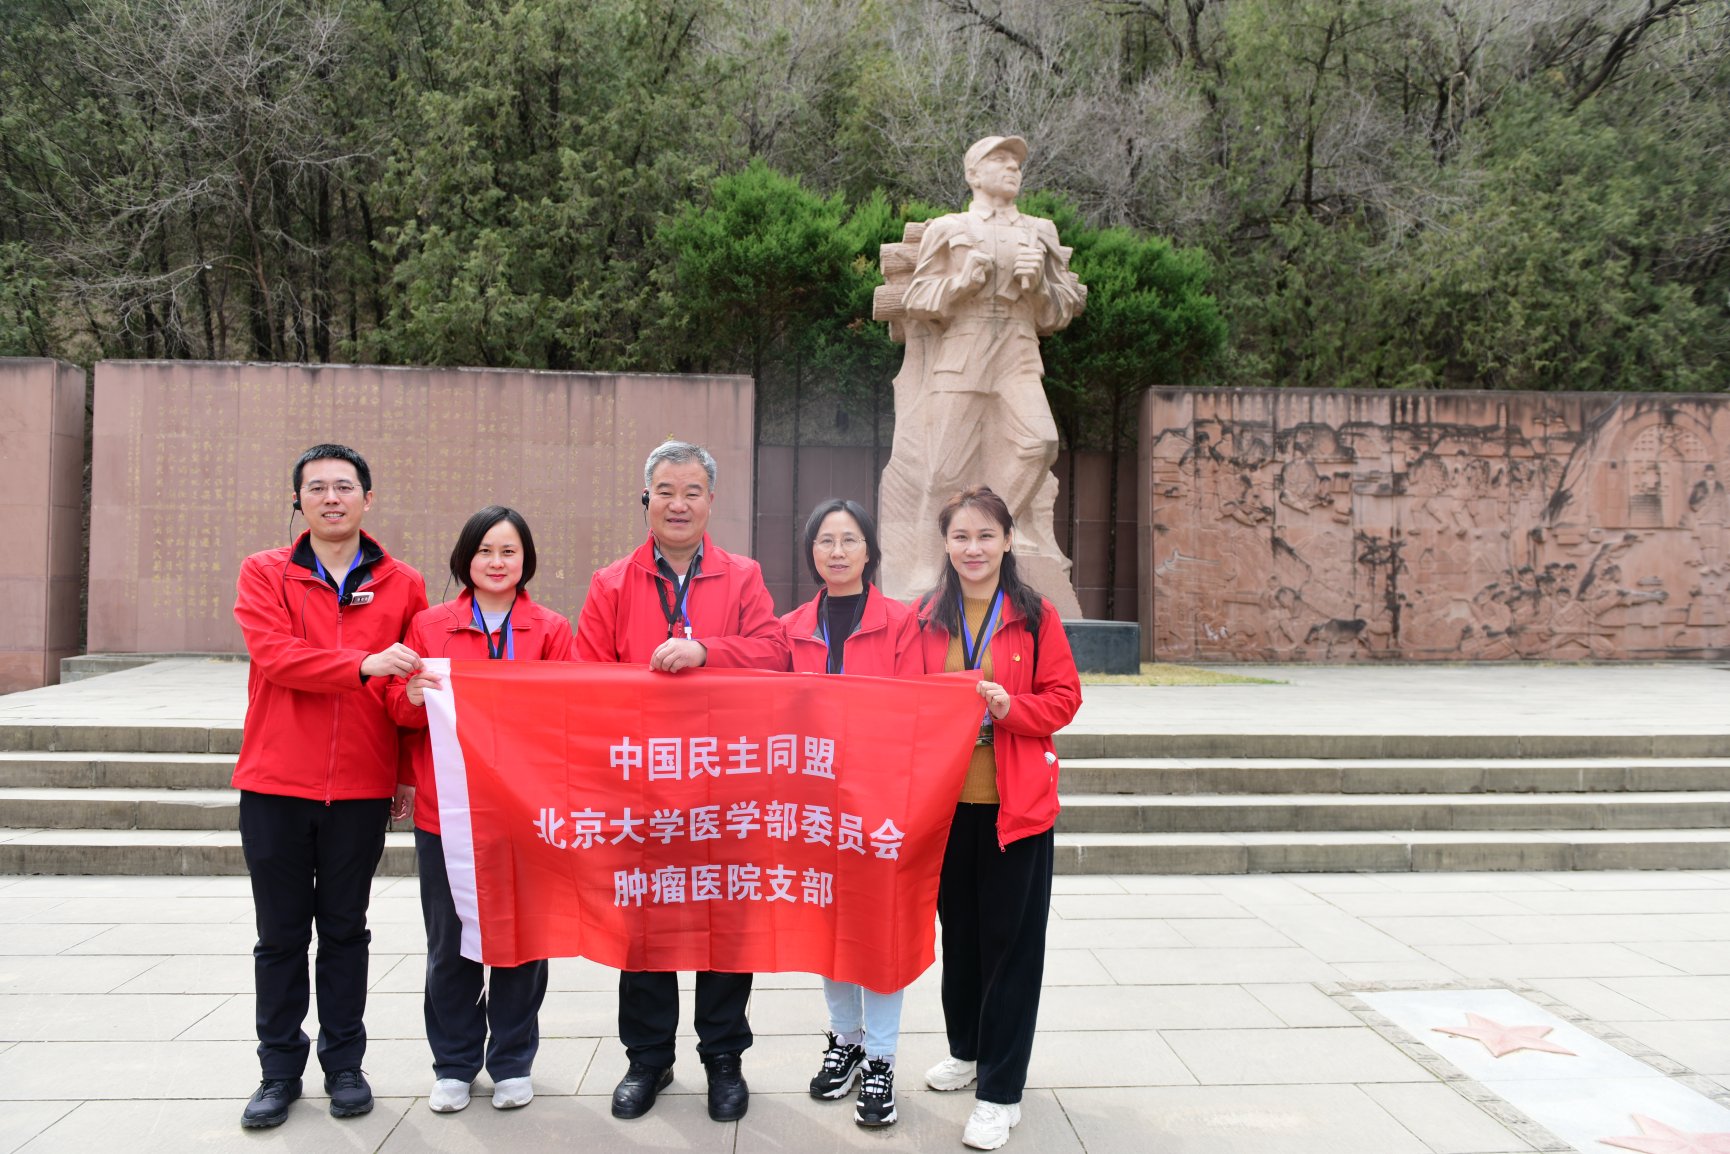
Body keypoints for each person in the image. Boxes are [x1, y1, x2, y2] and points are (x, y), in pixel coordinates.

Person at [574, 439, 790, 1123]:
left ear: (710, 502)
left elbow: (775, 653)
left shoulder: (743, 576)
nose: (678, 504)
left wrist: (706, 651)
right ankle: (648, 1059)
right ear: (646, 497)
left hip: (725, 787)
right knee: (644, 924)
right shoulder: (612, 583)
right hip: (643, 787)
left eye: (692, 492)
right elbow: (585, 679)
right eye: (665, 491)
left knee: (726, 924)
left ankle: (723, 1058)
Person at [231, 443, 428, 1130]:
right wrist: (364, 664)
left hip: (360, 787)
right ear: (299, 501)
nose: (331, 498)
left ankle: (345, 1065)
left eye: (344, 486)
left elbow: (404, 686)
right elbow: (277, 658)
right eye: (316, 487)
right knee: (280, 935)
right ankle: (278, 1072)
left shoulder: (404, 583)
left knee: (346, 931)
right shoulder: (266, 573)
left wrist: (405, 769)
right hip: (276, 782)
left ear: (368, 499)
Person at [387, 506, 573, 1114]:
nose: (497, 562)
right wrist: (412, 696)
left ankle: (513, 1060)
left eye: (509, 551)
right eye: (485, 551)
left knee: (524, 938)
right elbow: (397, 710)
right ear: (465, 558)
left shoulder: (550, 629)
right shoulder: (429, 625)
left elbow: (571, 714)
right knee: (450, 942)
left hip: (524, 810)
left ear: (526, 560)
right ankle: (454, 1063)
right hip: (448, 812)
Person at [915, 486, 1081, 1151]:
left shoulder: (1035, 616)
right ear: (946, 543)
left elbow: (1065, 698)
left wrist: (1013, 709)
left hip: (1017, 809)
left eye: (986, 535)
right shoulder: (925, 616)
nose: (973, 548)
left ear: (1008, 541)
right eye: (961, 536)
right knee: (960, 938)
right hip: (945, 808)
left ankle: (1000, 1092)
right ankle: (967, 1049)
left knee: (1012, 949)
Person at [876, 134, 1086, 613]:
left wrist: (1039, 286)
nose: (1012, 168)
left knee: (1040, 443)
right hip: (962, 349)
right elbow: (918, 298)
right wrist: (960, 283)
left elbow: (1060, 311)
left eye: (1016, 162)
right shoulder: (950, 228)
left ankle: (989, 535)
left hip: (1018, 349)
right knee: (943, 467)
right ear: (973, 173)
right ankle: (930, 566)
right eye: (1000, 160)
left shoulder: (1040, 231)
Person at [780, 498, 924, 1129]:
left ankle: (883, 1059)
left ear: (870, 550)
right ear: (811, 551)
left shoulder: (903, 623)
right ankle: (846, 1041)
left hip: (881, 801)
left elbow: (917, 707)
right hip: (815, 803)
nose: (836, 552)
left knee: (880, 930)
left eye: (849, 540)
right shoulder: (790, 628)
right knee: (829, 926)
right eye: (825, 541)